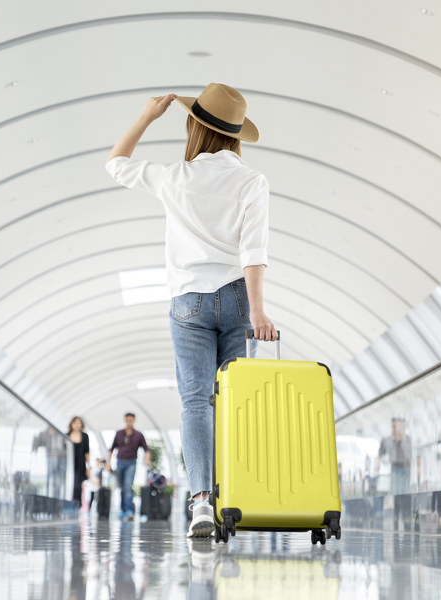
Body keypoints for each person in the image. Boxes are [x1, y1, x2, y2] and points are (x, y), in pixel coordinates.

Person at [105, 83, 277, 538]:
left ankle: (202, 501)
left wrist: (145, 117)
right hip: (239, 299)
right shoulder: (252, 182)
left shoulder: (174, 177)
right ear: (237, 136)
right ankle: (233, 495)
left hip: (188, 304)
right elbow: (254, 252)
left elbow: (115, 163)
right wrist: (258, 312)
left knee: (195, 402)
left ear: (195, 127)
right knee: (233, 402)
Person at [107, 413, 151, 521]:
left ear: (134, 421)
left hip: (131, 463)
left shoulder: (139, 435)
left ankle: (129, 511)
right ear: (125, 420)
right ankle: (123, 510)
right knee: (121, 487)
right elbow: (111, 449)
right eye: (127, 420)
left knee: (128, 486)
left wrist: (147, 459)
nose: (129, 422)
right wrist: (108, 463)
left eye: (131, 420)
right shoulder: (119, 434)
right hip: (119, 462)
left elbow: (146, 449)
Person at [377, 417, 411, 495]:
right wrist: (377, 467)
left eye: (398, 426)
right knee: (395, 492)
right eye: (394, 426)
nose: (396, 429)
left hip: (407, 469)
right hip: (394, 468)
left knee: (405, 492)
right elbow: (380, 454)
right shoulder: (387, 440)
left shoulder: (408, 440)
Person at [68, 416, 90, 505]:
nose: (77, 425)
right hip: (69, 464)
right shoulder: (66, 435)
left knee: (77, 485)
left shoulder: (85, 436)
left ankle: (76, 504)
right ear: (71, 424)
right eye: (75, 422)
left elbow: (87, 452)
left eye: (79, 423)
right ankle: (68, 504)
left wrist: (89, 466)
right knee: (69, 484)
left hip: (80, 464)